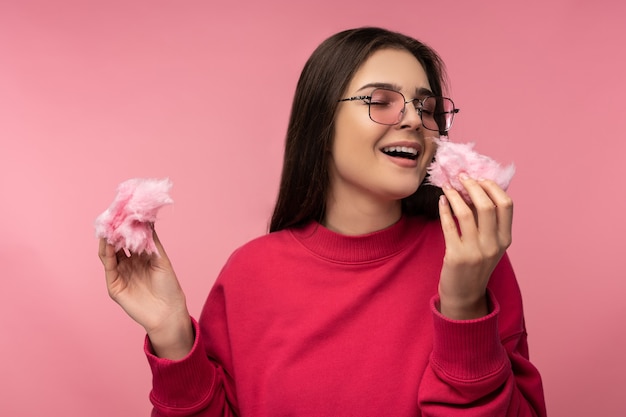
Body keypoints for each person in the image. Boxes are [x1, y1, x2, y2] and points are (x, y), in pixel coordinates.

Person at [98, 27, 546, 416]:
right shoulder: (250, 274)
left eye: (426, 107)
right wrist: (173, 335)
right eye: (382, 101)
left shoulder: (472, 256)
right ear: (322, 123)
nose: (413, 120)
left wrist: (464, 309)